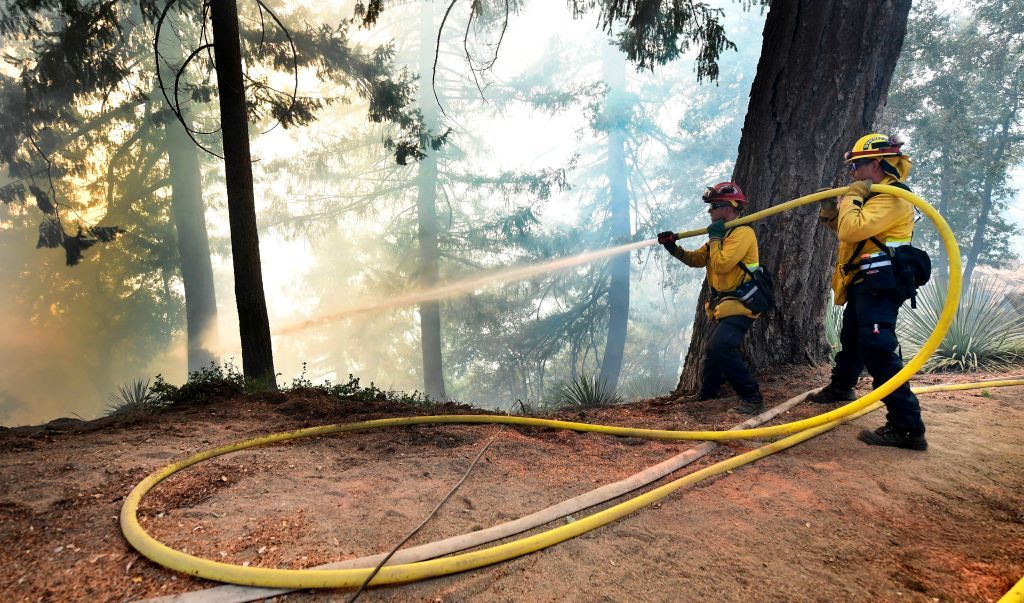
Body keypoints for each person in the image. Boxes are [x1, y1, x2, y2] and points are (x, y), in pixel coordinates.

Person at [809, 132, 927, 451]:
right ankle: (842, 387)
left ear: (875, 164)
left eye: (857, 165)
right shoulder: (874, 196)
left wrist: (850, 199)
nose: (852, 173)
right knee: (853, 339)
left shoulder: (892, 196)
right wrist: (831, 210)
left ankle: (907, 427)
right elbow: (851, 233)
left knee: (876, 347)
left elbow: (852, 228)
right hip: (866, 281)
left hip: (881, 284)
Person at [658, 182, 764, 415]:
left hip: (743, 304)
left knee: (721, 346)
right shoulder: (721, 236)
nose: (709, 212)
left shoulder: (742, 233)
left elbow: (722, 264)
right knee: (713, 348)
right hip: (726, 306)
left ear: (727, 208)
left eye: (713, 207)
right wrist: (673, 248)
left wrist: (715, 239)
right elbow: (696, 259)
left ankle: (752, 398)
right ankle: (708, 393)